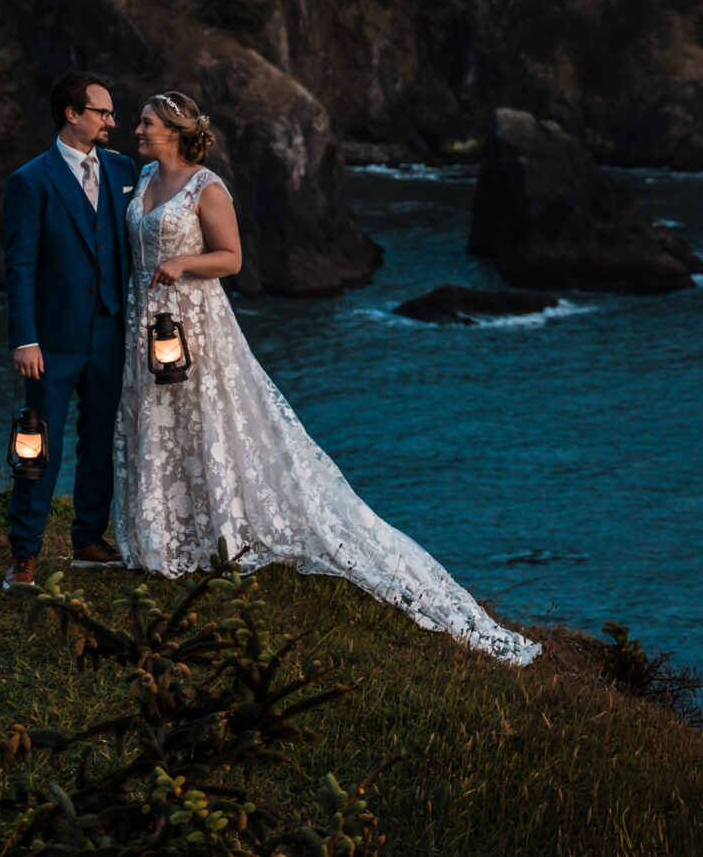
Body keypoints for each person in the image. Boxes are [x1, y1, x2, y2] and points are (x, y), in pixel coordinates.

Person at [113, 91, 539, 665]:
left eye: (146, 122)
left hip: (196, 322)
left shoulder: (205, 188)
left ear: (174, 132)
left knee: (207, 419)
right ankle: (162, 538)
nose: (136, 128)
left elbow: (233, 258)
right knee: (157, 419)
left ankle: (219, 536)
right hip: (146, 319)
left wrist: (183, 262)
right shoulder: (141, 179)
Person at [2, 72, 139, 591]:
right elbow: (20, 265)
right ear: (72, 114)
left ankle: (87, 539)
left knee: (101, 440)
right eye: (102, 112)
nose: (112, 120)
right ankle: (24, 555)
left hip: (110, 335)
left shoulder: (124, 169)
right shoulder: (30, 181)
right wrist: (24, 338)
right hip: (51, 344)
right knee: (38, 446)